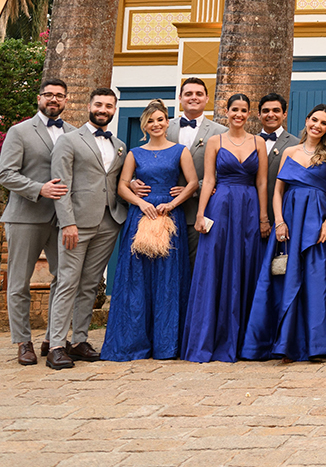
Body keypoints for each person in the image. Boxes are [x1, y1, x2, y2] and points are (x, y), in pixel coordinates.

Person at [243, 105, 326, 361]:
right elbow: (277, 191)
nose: (317, 126)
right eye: (314, 120)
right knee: (284, 278)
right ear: (306, 120)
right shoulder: (289, 151)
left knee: (317, 280)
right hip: (289, 220)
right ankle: (283, 343)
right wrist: (279, 221)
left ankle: (316, 344)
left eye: (323, 123)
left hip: (317, 222)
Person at [104, 100, 198, 360]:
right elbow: (122, 186)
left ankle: (167, 344)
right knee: (137, 279)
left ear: (168, 122)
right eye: (150, 121)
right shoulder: (135, 153)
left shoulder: (180, 151)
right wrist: (142, 203)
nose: (156, 124)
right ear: (144, 125)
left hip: (169, 216)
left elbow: (192, 183)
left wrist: (172, 204)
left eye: (160, 119)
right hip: (141, 216)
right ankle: (133, 343)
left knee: (168, 278)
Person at [46, 88, 128, 369]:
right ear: (89, 106)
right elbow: (60, 185)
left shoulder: (119, 145)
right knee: (68, 281)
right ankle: (56, 344)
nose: (103, 109)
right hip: (76, 223)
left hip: (109, 221)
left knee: (90, 285)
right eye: (99, 104)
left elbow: (116, 182)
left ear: (114, 109)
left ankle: (79, 340)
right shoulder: (69, 141)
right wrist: (67, 222)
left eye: (109, 105)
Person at [183, 93, 269, 362]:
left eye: (244, 110)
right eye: (234, 110)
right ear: (226, 111)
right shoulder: (214, 141)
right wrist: (200, 214)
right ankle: (211, 337)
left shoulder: (259, 143)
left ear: (249, 113)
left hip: (250, 206)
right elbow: (208, 180)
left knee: (246, 263)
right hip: (219, 208)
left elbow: (263, 183)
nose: (239, 115)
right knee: (216, 267)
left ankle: (247, 340)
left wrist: (264, 217)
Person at [0, 78, 73, 366]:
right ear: (39, 98)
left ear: (66, 101)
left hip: (61, 219)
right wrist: (38, 188)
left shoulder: (73, 133)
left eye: (59, 96)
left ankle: (53, 340)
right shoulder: (19, 132)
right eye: (49, 95)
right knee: (18, 282)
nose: (54, 99)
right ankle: (23, 341)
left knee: (63, 278)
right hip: (25, 216)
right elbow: (6, 174)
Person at [166, 76, 225, 261]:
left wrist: (193, 189)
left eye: (199, 94)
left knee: (194, 265)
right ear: (180, 98)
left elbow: (221, 170)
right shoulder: (164, 126)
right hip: (164, 208)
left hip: (200, 209)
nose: (194, 97)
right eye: (188, 94)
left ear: (207, 98)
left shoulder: (221, 132)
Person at [259, 92, 298, 206]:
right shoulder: (249, 142)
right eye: (266, 111)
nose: (271, 115)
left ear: (284, 114)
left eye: (276, 110)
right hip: (250, 204)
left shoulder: (296, 144)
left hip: (283, 206)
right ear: (259, 115)